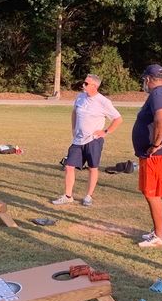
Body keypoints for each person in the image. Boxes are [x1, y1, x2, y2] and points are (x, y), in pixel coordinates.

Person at [51, 74, 123, 207]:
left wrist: (105, 132)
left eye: (86, 83)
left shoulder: (103, 102)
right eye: (84, 83)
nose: (83, 85)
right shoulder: (80, 97)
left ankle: (88, 196)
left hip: (93, 141)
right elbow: (74, 112)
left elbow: (118, 119)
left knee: (92, 168)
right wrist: (73, 129)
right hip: (77, 140)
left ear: (95, 86)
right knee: (68, 166)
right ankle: (67, 196)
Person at [132, 64, 162, 247]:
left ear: (148, 79)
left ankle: (159, 236)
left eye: (145, 79)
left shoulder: (158, 94)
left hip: (159, 153)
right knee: (150, 192)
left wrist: (155, 144)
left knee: (152, 192)